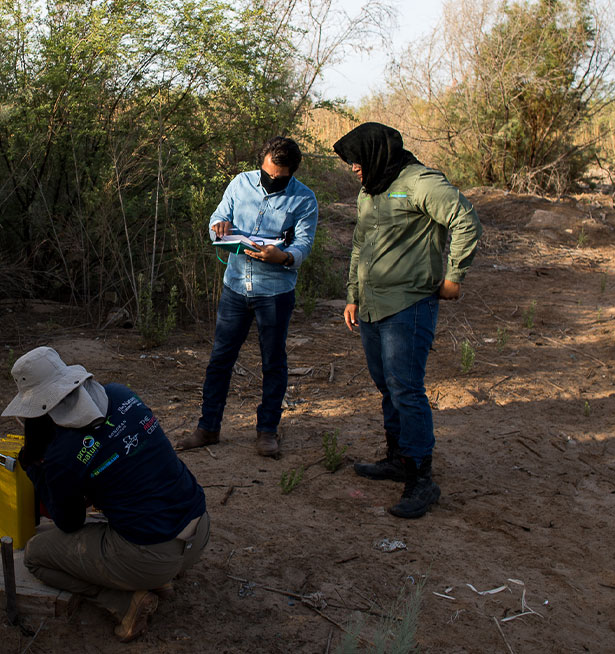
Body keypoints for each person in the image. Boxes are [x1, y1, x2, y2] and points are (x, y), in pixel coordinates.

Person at [4, 346, 210, 643]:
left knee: (36, 555)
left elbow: (69, 523)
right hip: (199, 531)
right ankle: (153, 577)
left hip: (151, 556)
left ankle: (124, 601)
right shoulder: (120, 394)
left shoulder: (63, 456)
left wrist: (36, 470)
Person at [333, 122, 482, 519]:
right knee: (387, 385)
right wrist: (352, 294)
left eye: (357, 160)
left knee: (406, 389)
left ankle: (420, 477)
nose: (354, 167)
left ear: (377, 153)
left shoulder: (420, 182)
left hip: (408, 305)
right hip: (371, 306)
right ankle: (398, 458)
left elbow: (466, 220)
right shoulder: (371, 188)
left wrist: (453, 277)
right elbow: (360, 244)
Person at [176, 136, 319, 458]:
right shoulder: (240, 183)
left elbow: (304, 243)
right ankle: (208, 427)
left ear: (292, 172)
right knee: (220, 360)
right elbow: (217, 218)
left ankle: (267, 431)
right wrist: (219, 227)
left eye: (279, 178)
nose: (271, 181)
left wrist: (283, 257)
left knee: (273, 362)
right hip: (235, 288)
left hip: (275, 292)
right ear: (260, 165)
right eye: (267, 174)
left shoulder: (304, 199)